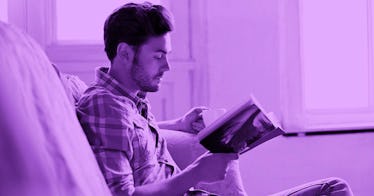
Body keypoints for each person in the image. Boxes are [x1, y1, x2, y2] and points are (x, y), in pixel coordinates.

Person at [76, 2, 354, 196]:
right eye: (158, 56)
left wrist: (179, 123)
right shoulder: (105, 106)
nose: (166, 67)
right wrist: (196, 172)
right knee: (333, 190)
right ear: (124, 53)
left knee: (333, 188)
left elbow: (129, 137)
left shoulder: (126, 100)